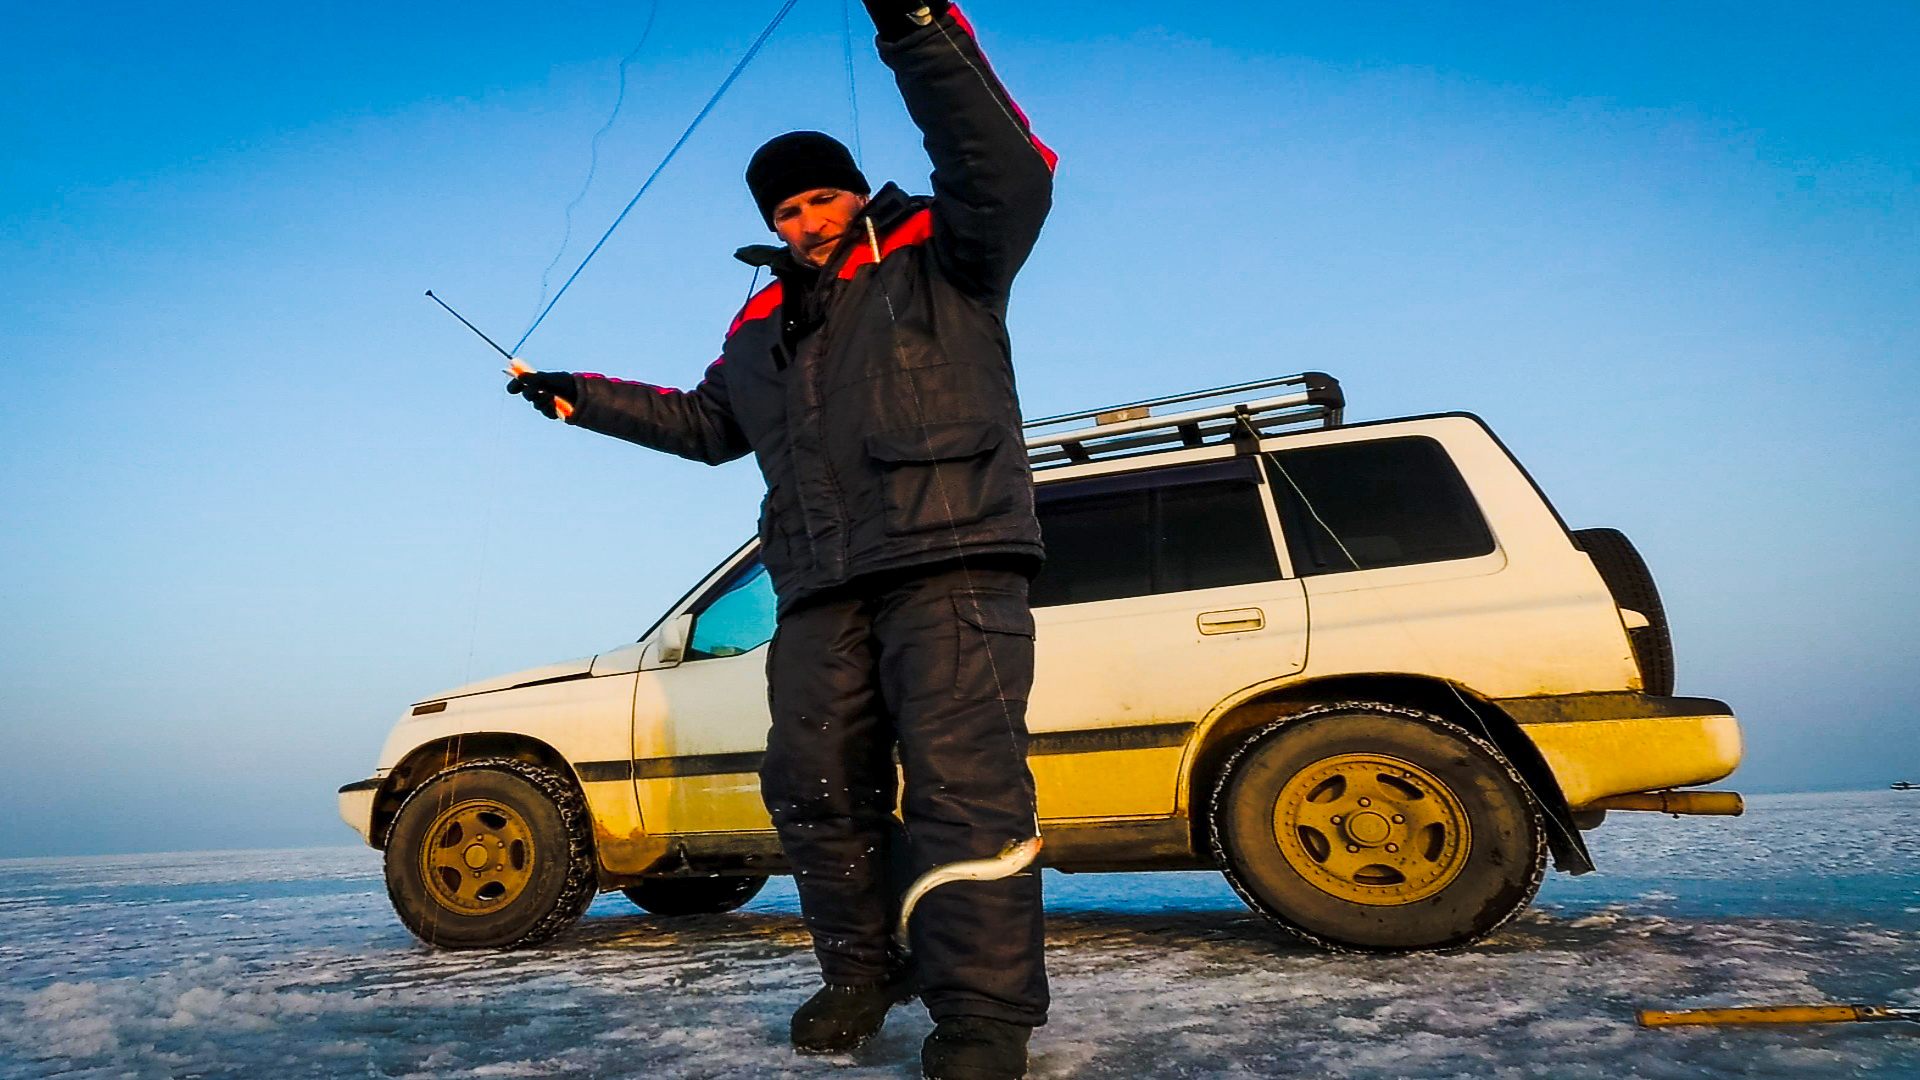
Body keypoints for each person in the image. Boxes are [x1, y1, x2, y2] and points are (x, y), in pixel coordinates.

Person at [507, 3, 1055, 1077]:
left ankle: (983, 1016)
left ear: (856, 190)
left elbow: (1005, 165)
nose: (805, 220)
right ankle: (861, 971)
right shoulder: (759, 323)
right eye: (787, 209)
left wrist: (916, 28)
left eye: (820, 198)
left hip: (949, 557)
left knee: (962, 785)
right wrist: (583, 397)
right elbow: (708, 425)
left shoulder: (946, 250)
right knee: (811, 785)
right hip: (816, 583)